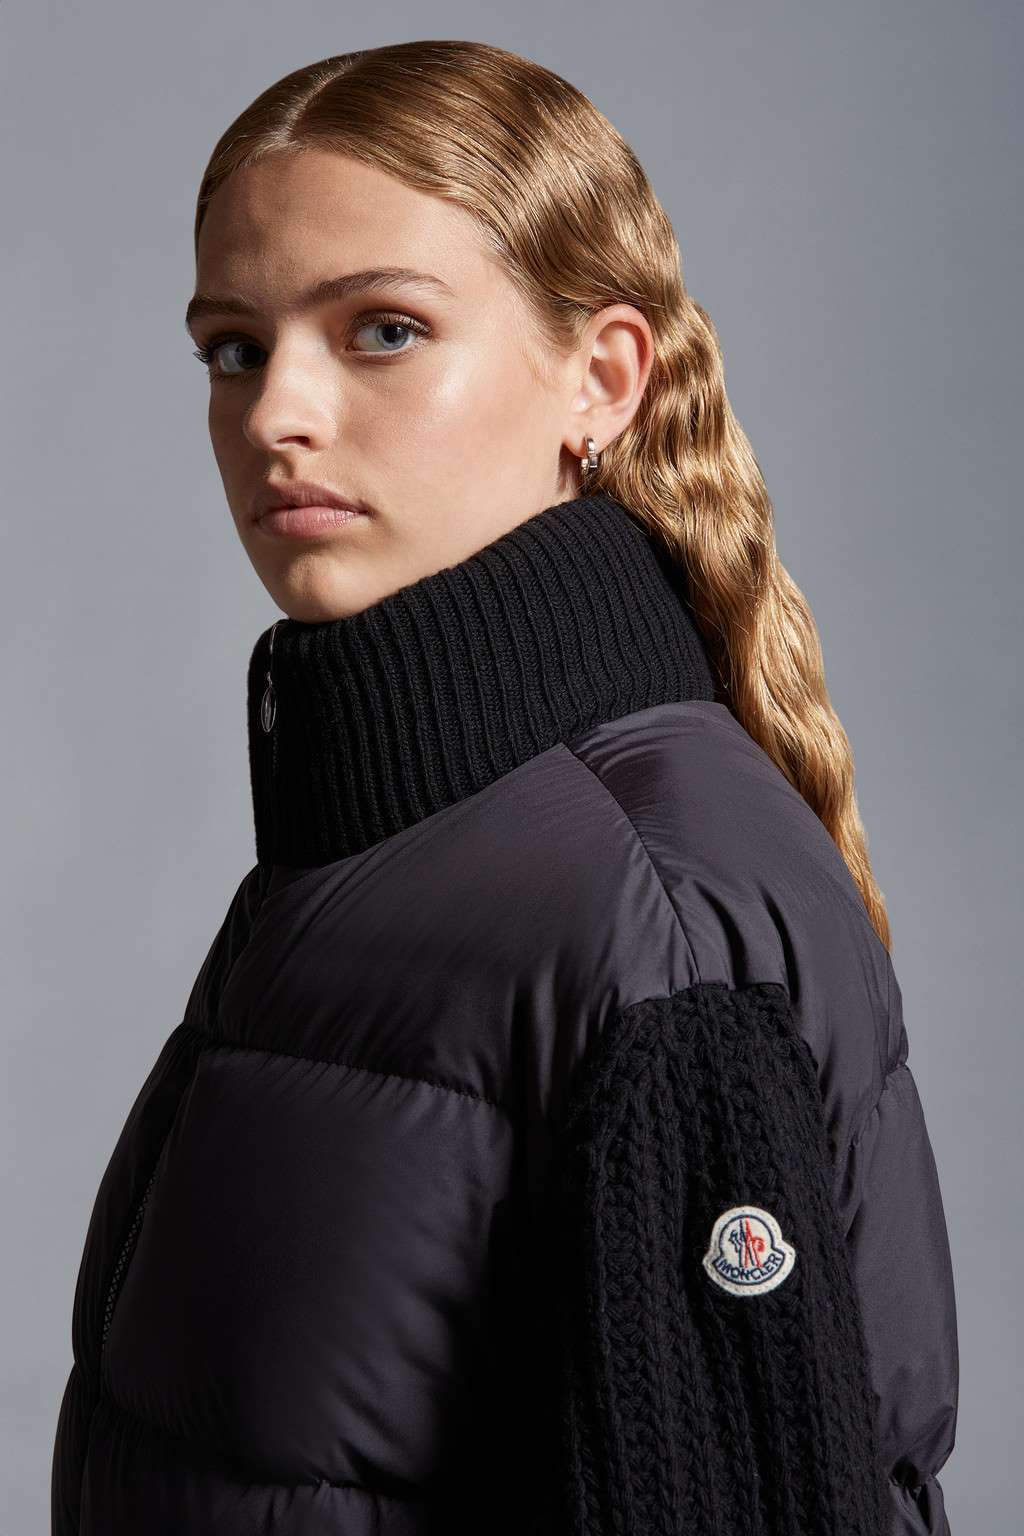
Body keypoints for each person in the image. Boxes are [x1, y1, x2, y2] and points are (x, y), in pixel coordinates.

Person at [50, 38, 958, 1536]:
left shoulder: (646, 917)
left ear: (601, 379)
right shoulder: (387, 848)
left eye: (383, 330)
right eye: (234, 348)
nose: (275, 415)